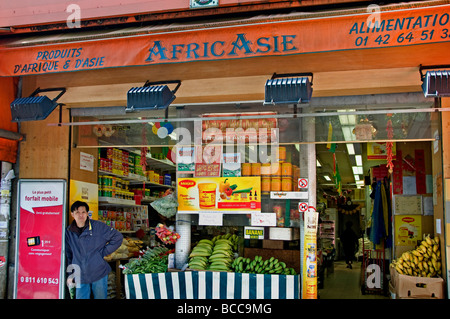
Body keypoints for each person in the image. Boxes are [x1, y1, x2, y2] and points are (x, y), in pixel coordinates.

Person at [65, 200, 123, 299]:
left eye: (83, 212)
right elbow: (69, 254)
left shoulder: (98, 227)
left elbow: (117, 237)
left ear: (87, 213)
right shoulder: (69, 232)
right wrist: (70, 275)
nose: (81, 215)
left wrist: (103, 252)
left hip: (98, 272)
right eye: (77, 212)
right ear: (72, 214)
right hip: (80, 274)